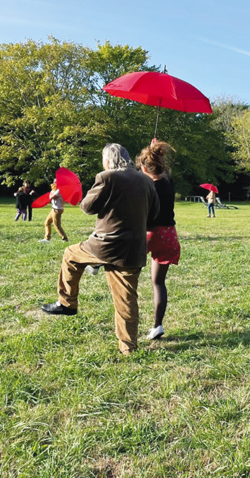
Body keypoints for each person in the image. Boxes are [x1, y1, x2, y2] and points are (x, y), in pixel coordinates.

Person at [41, 144, 160, 355]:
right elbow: (155, 213)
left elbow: (87, 207)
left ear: (108, 159)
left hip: (105, 245)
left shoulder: (107, 177)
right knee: (126, 298)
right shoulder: (146, 180)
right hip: (134, 248)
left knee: (70, 254)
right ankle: (128, 348)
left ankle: (67, 302)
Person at [136, 141, 180, 340]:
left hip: (150, 234)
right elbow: (161, 171)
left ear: (144, 168)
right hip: (169, 234)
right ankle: (157, 326)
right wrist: (154, 151)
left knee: (127, 275)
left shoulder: (146, 186)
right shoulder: (168, 181)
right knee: (158, 282)